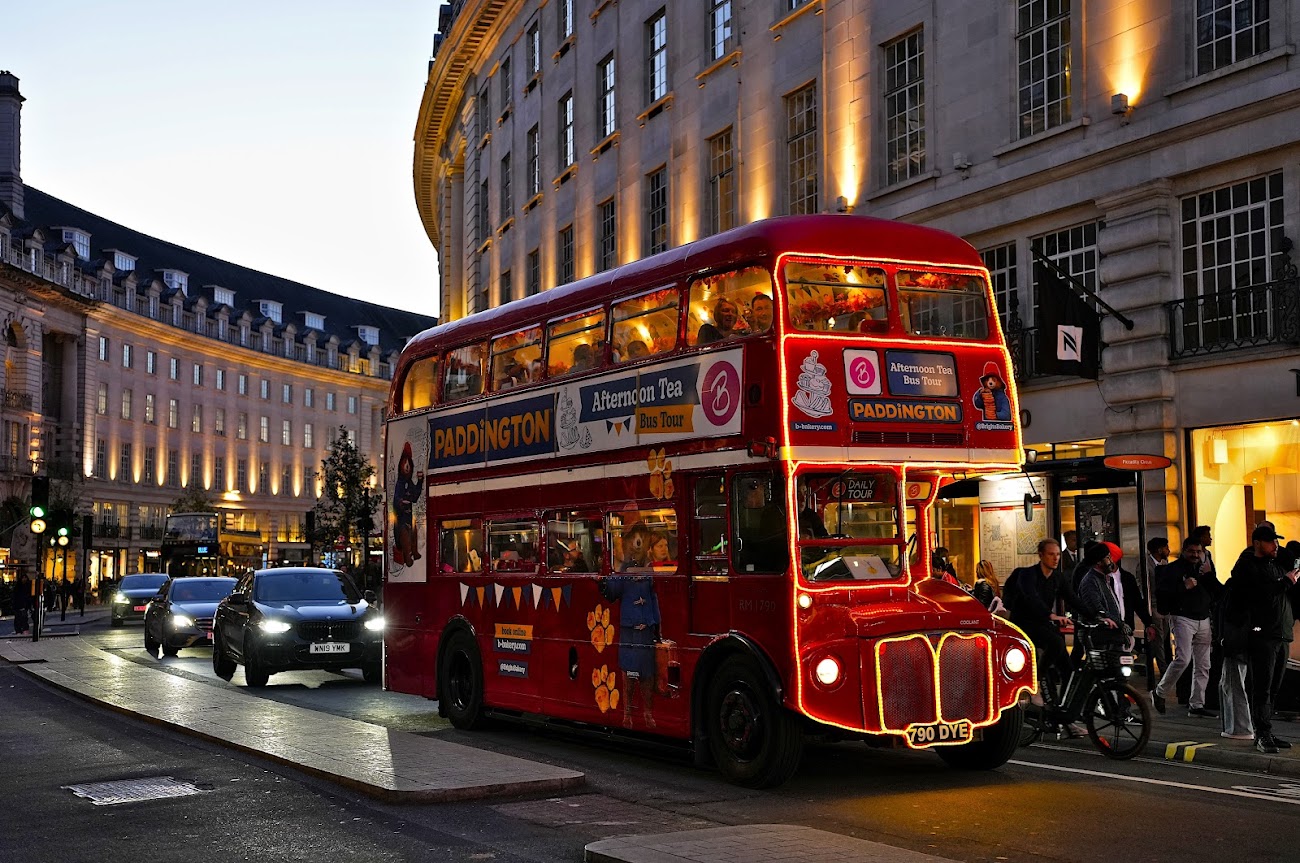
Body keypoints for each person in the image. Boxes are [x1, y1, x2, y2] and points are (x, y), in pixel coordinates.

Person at [1233, 524, 1299, 753]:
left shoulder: (1275, 567)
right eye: (1271, 542)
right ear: (1258, 543)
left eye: (1277, 542)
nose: (1276, 546)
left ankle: (1267, 730)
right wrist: (1285, 582)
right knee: (1262, 686)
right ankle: (1261, 733)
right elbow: (1259, 595)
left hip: (1281, 634)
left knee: (1273, 687)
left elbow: (1285, 594)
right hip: (1263, 635)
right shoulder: (1248, 566)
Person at [1004, 539, 1083, 705]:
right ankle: (1036, 682)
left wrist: (1098, 616)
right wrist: (1051, 615)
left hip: (1043, 624)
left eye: (1058, 555)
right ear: (1041, 555)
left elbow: (1073, 599)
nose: (1055, 558)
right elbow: (1030, 597)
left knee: (1068, 668)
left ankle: (1064, 711)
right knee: (1055, 643)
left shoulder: (1057, 578)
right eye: (1051, 554)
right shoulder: (1027, 575)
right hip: (1024, 624)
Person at [1151, 538, 1221, 718]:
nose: (1195, 555)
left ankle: (1197, 704)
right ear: (1183, 551)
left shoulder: (1205, 569)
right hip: (1182, 617)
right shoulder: (1173, 570)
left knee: (1204, 664)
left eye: (1198, 552)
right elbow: (1163, 594)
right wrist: (1184, 586)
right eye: (1191, 551)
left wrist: (1208, 576)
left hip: (1203, 617)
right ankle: (1160, 691)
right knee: (1183, 658)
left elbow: (1216, 591)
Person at [600, 568, 661, 728]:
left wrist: (657, 625)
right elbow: (611, 592)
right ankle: (627, 714)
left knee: (647, 675)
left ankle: (648, 713)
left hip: (646, 628)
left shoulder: (649, 574)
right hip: (629, 629)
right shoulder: (622, 573)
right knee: (628, 673)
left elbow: (653, 599)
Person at [1075, 543, 1128, 647]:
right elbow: (1096, 609)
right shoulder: (1090, 581)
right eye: (1107, 558)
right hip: (1100, 635)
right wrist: (1120, 624)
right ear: (1099, 562)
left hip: (1109, 634)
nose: (1111, 561)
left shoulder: (1103, 579)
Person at [737, 474, 788, 572]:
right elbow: (771, 545)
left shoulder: (810, 515)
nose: (764, 492)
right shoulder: (771, 514)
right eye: (763, 487)